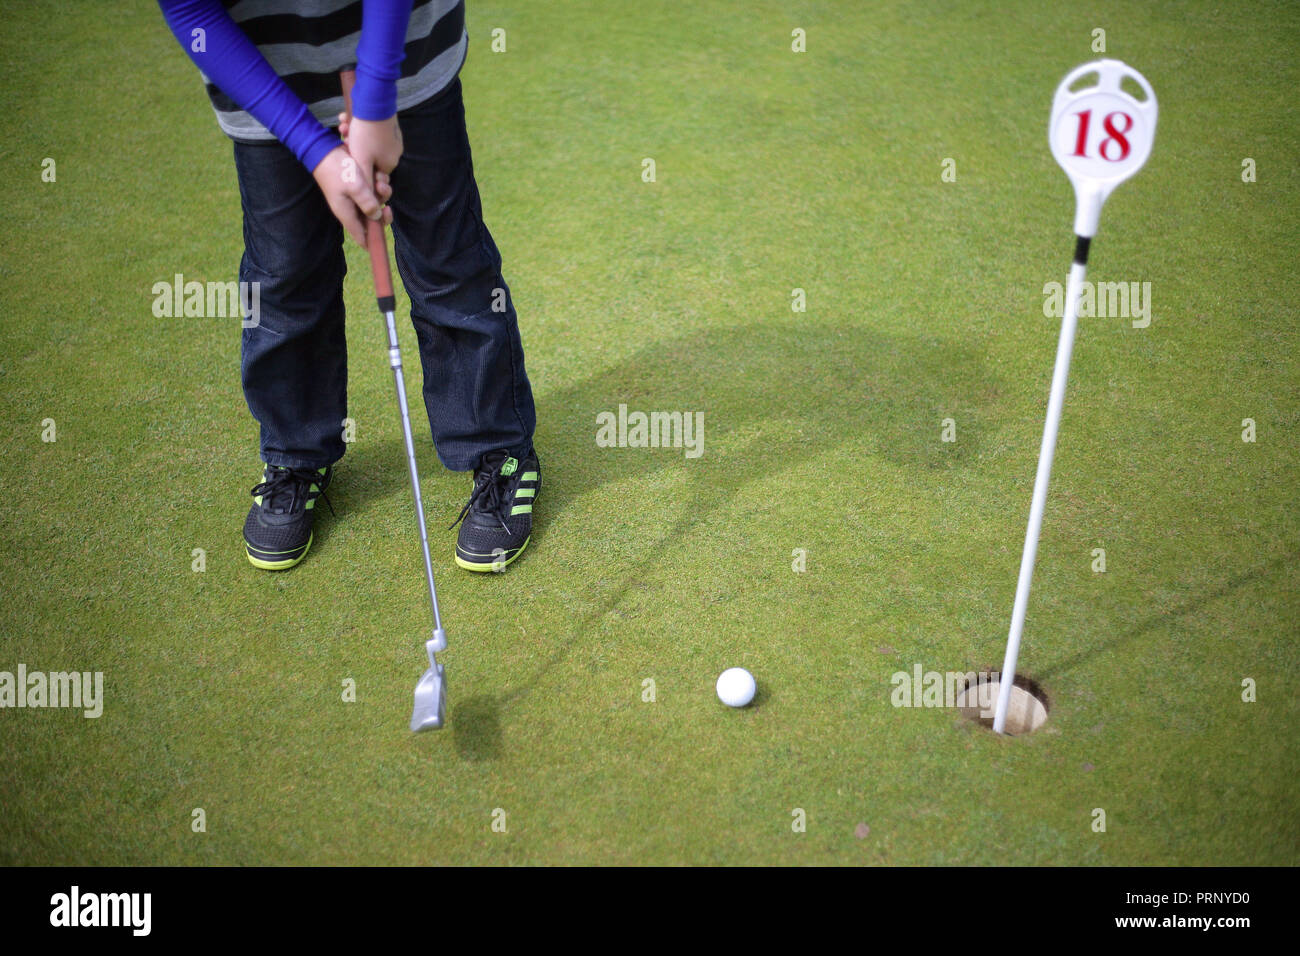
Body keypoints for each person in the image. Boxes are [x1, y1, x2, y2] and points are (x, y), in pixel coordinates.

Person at [157, 0, 539, 573]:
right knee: (283, 275)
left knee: (449, 265)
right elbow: (191, 9)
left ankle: (498, 449)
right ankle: (295, 454)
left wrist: (378, 101)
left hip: (405, 59)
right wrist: (315, 153)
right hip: (262, 80)